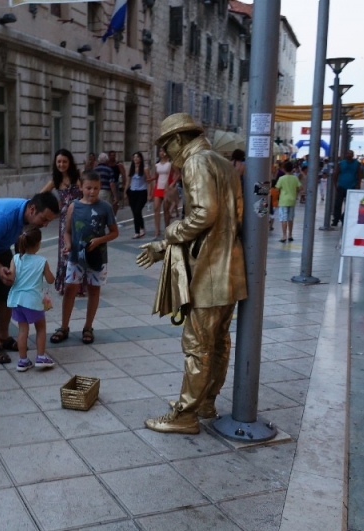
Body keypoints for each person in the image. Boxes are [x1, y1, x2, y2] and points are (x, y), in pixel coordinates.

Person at [136, 113, 246, 434]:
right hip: (229, 267)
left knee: (197, 343)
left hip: (210, 270)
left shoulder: (196, 162)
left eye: (166, 145)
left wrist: (171, 231)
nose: (165, 153)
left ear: (180, 139)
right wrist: (163, 248)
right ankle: (206, 401)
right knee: (218, 341)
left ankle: (186, 414)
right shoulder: (222, 163)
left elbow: (204, 213)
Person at [0, 193, 59, 363]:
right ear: (32, 209)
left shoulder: (25, 216)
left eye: (48, 221)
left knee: (8, 290)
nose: (45, 225)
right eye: (44, 219)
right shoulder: (5, 216)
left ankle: (4, 336)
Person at [51, 171, 119, 345]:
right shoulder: (74, 206)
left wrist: (99, 240)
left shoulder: (105, 207)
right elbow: (67, 231)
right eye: (88, 188)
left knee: (93, 290)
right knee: (69, 289)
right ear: (81, 187)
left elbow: (114, 232)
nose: (92, 191)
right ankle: (64, 327)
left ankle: (88, 326)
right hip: (75, 257)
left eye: (96, 188)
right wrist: (67, 245)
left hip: (97, 258)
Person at [7, 225, 56, 372]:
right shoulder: (41, 261)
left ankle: (23, 360)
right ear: (37, 244)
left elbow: (12, 277)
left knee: (22, 330)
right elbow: (50, 280)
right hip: (33, 300)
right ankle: (40, 357)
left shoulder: (15, 259)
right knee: (40, 328)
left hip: (16, 300)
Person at [39, 149, 84, 296]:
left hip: (80, 217)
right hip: (65, 220)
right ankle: (66, 284)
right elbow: (41, 195)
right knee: (65, 251)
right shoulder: (55, 180)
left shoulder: (78, 176)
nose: (61, 164)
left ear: (69, 162)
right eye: (59, 161)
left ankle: (80, 285)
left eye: (64, 161)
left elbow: (87, 192)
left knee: (79, 249)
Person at [332, 150, 363, 227]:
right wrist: (336, 185)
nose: (349, 155)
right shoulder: (341, 164)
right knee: (338, 204)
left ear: (353, 155)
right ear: (346, 155)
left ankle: (343, 218)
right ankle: (336, 219)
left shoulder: (357, 164)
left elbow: (359, 175)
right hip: (341, 186)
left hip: (352, 187)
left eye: (351, 154)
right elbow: (335, 174)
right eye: (348, 154)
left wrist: (358, 185)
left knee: (349, 205)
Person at [124, 151, 150, 239]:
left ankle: (139, 230)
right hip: (132, 192)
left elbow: (149, 181)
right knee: (135, 212)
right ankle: (139, 230)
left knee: (137, 211)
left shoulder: (145, 169)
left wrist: (150, 194)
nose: (135, 159)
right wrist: (125, 192)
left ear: (141, 158)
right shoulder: (131, 168)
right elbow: (128, 181)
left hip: (142, 192)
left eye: (137, 157)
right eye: (134, 157)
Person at [275, 161, 301, 243]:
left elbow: (277, 189)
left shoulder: (281, 178)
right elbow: (300, 188)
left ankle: (284, 236)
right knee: (290, 219)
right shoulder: (295, 178)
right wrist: (295, 193)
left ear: (284, 169)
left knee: (283, 219)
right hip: (292, 200)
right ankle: (290, 235)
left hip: (283, 201)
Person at [152, 148, 173, 238]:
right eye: (160, 151)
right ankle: (157, 231)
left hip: (166, 188)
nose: (162, 153)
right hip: (158, 187)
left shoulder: (170, 164)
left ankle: (167, 229)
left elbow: (177, 175)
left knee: (166, 210)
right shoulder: (156, 165)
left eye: (163, 151)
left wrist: (172, 184)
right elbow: (155, 177)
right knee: (156, 208)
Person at [107, 150, 127, 216]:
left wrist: (124, 185)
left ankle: (114, 215)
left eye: (114, 155)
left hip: (115, 183)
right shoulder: (106, 164)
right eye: (111, 155)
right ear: (108, 156)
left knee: (116, 201)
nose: (112, 157)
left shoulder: (118, 165)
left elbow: (123, 175)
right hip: (106, 184)